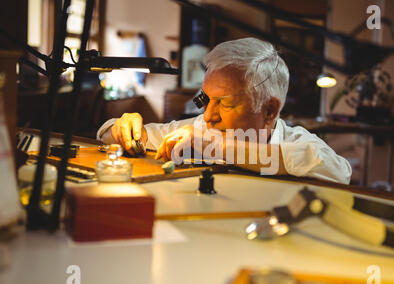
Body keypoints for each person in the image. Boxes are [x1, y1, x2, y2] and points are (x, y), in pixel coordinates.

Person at [97, 37, 352, 184]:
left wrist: (213, 145)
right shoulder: (198, 129)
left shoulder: (296, 143)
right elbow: (107, 135)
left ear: (270, 110)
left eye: (226, 103)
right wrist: (123, 126)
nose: (208, 115)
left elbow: (339, 173)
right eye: (206, 100)